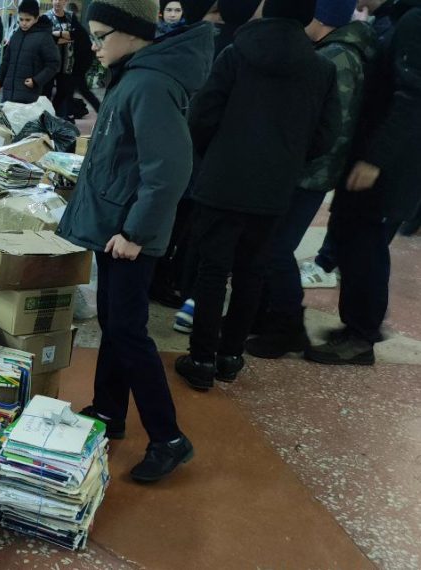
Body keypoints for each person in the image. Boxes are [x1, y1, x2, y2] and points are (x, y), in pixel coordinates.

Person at [56, 0, 212, 482]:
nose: (95, 46)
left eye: (102, 35)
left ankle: (168, 438)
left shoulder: (150, 83)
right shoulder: (135, 73)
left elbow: (167, 172)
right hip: (116, 229)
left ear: (132, 32)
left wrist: (135, 233)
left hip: (129, 236)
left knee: (128, 331)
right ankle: (108, 411)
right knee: (114, 322)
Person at [174, 0, 340, 390]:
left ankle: (200, 360)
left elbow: (201, 115)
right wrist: (289, 160)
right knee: (252, 272)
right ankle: (231, 357)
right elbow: (326, 136)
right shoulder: (322, 68)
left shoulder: (236, 53)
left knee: (213, 271)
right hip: (275, 188)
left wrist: (216, 153)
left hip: (222, 181)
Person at [246, 0, 377, 360]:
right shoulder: (334, 51)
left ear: (319, 18)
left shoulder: (337, 58)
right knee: (270, 246)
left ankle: (287, 327)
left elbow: (331, 128)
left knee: (275, 248)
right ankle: (267, 317)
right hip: (308, 170)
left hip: (308, 173)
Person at [305, 0, 421, 365]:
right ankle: (356, 325)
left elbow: (411, 99)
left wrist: (375, 159)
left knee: (365, 245)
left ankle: (361, 335)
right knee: (352, 238)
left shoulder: (414, 21)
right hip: (376, 155)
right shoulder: (398, 18)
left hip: (389, 165)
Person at [0, 0, 60, 104]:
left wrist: (36, 80)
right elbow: (6, 61)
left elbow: (53, 64)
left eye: (28, 20)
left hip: (29, 95)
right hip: (8, 94)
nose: (24, 23)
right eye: (21, 19)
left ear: (36, 18)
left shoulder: (44, 37)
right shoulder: (16, 36)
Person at [45, 0, 82, 119]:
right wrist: (64, 35)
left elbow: (76, 35)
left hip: (67, 63)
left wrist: (55, 34)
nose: (57, 2)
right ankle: (44, 117)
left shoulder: (71, 17)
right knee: (45, 93)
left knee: (63, 93)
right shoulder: (46, 17)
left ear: (65, 1)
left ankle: (56, 117)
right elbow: (45, 38)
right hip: (50, 63)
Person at [69, 2, 103, 114]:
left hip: (78, 64)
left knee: (81, 90)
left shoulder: (73, 27)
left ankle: (100, 110)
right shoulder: (78, 27)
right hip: (81, 63)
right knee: (75, 90)